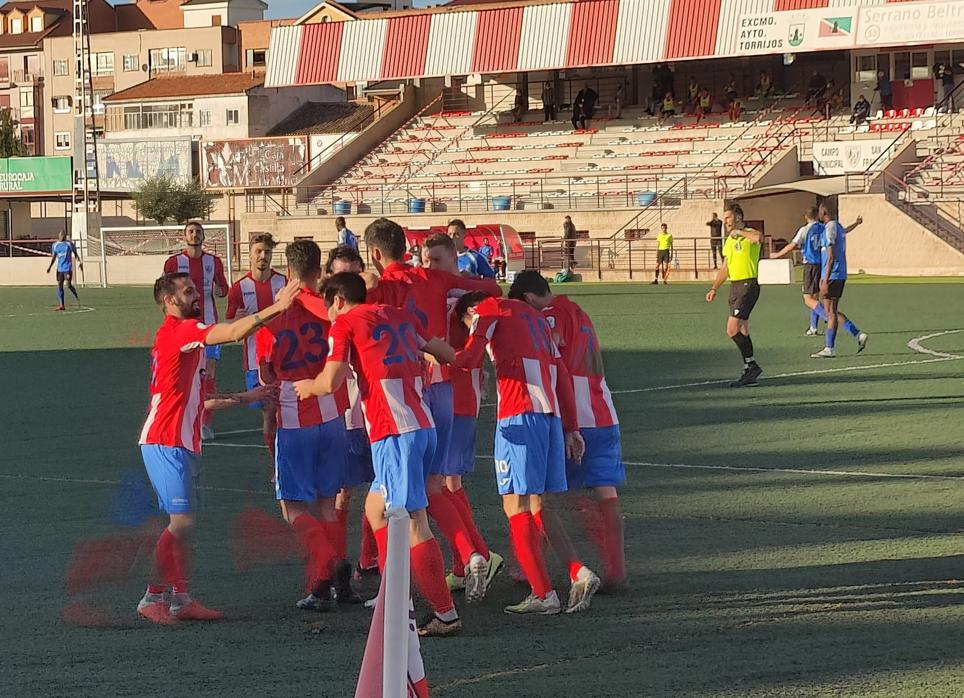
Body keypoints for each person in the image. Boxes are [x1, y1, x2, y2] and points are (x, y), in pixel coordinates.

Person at [293, 272, 467, 636]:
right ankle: (396, 598)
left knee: (414, 521)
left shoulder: (344, 324)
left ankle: (444, 613)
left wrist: (307, 387)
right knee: (375, 508)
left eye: (328, 305)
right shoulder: (398, 313)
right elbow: (446, 353)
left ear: (337, 300)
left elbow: (330, 382)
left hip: (395, 432)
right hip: (422, 424)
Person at [136, 271, 300, 624]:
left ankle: (181, 598)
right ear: (169, 302)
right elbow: (233, 333)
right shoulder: (179, 332)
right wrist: (278, 307)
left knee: (185, 524)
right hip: (165, 441)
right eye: (188, 291)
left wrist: (246, 397)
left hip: (181, 442)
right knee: (181, 522)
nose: (197, 295)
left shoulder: (187, 345)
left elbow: (202, 402)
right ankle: (152, 596)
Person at [363, 218, 502, 611]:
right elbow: (491, 288)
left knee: (413, 496)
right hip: (442, 385)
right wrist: (456, 290)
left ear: (373, 253)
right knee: (433, 485)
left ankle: (447, 576)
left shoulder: (379, 288)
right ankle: (464, 557)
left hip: (404, 392)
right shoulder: (435, 279)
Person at [453, 292, 600, 615]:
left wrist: (428, 349)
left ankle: (543, 593)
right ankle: (579, 571)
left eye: (465, 322)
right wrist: (571, 428)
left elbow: (468, 358)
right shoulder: (535, 318)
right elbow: (561, 374)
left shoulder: (488, 311)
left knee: (514, 504)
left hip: (519, 414)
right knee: (540, 504)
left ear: (470, 311)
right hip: (550, 417)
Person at [254, 240, 359, 611]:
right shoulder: (329, 311)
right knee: (329, 505)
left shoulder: (274, 316)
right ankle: (334, 582)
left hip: (294, 417)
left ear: (288, 267)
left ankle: (324, 569)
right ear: (320, 271)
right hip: (331, 414)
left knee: (293, 507)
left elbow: (266, 374)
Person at [509, 271, 626, 592]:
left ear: (528, 300)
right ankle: (617, 569)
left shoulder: (548, 315)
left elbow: (554, 353)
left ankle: (529, 566)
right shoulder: (579, 311)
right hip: (604, 411)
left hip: (572, 414)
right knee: (605, 492)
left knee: (540, 495)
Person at [419, 233, 504, 592]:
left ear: (455, 263)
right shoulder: (435, 292)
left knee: (444, 483)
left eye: (436, 260)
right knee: (447, 481)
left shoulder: (457, 297)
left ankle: (478, 555)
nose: (429, 267)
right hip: (442, 393)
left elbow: (482, 317)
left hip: (456, 395)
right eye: (425, 260)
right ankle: (466, 559)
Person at [324, 245, 379, 580]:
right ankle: (340, 564)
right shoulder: (327, 312)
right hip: (342, 413)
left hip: (373, 411)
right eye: (339, 275)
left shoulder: (369, 310)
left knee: (380, 486)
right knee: (343, 491)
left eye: (353, 274)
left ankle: (368, 559)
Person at [163, 222, 229, 442]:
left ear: (203, 236)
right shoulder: (174, 262)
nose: (194, 234)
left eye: (198, 231)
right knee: (183, 374)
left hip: (209, 327)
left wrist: (220, 290)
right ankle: (179, 417)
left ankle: (204, 422)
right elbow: (165, 291)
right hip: (182, 329)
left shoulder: (214, 262)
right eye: (191, 231)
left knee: (208, 374)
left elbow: (223, 289)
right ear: (184, 236)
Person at [226, 234, 287, 462]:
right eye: (259, 251)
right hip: (254, 360)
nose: (263, 256)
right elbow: (231, 324)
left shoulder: (284, 283)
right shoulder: (239, 288)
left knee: (280, 412)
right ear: (250, 254)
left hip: (284, 358)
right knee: (268, 413)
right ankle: (277, 463)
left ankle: (282, 462)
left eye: (267, 252)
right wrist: (236, 320)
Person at [705, 203, 764, 388]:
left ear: (738, 216)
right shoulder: (729, 241)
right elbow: (726, 267)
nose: (726, 221)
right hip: (735, 286)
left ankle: (751, 365)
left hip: (748, 284)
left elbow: (759, 238)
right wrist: (714, 288)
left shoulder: (748, 233)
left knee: (732, 329)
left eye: (729, 217)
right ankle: (750, 369)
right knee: (743, 329)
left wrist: (740, 233)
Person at [811, 205, 869, 358]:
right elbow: (845, 231)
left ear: (824, 212)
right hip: (840, 274)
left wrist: (825, 278)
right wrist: (856, 223)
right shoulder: (838, 227)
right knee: (832, 311)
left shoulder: (829, 228)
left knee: (830, 312)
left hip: (832, 275)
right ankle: (857, 333)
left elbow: (830, 256)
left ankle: (830, 348)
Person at [46, 231, 82, 311]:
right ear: (58, 236)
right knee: (60, 285)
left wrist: (80, 262)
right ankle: (61, 305)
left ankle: (76, 296)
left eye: (63, 235)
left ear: (65, 236)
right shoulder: (55, 245)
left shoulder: (69, 244)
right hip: (60, 269)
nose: (62, 236)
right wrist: (50, 267)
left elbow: (75, 254)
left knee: (68, 285)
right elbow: (54, 257)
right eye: (60, 235)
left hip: (68, 268)